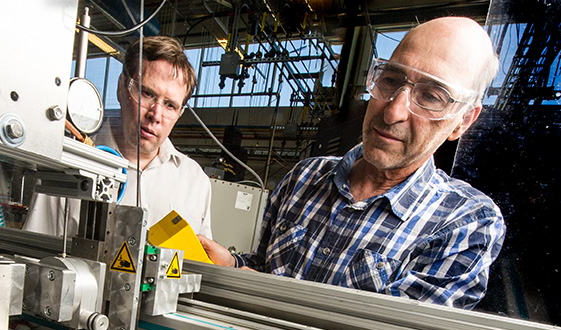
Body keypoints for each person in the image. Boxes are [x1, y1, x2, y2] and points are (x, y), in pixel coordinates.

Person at [199, 16, 505, 310]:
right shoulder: (305, 177)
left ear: (462, 121)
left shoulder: (466, 223)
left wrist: (254, 285)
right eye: (390, 80)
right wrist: (231, 265)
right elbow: (264, 268)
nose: (393, 112)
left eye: (431, 96)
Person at [24, 36, 212, 237]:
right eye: (147, 93)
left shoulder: (195, 182)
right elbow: (35, 257)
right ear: (121, 86)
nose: (155, 115)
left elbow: (198, 264)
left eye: (170, 105)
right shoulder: (71, 165)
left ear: (180, 113)